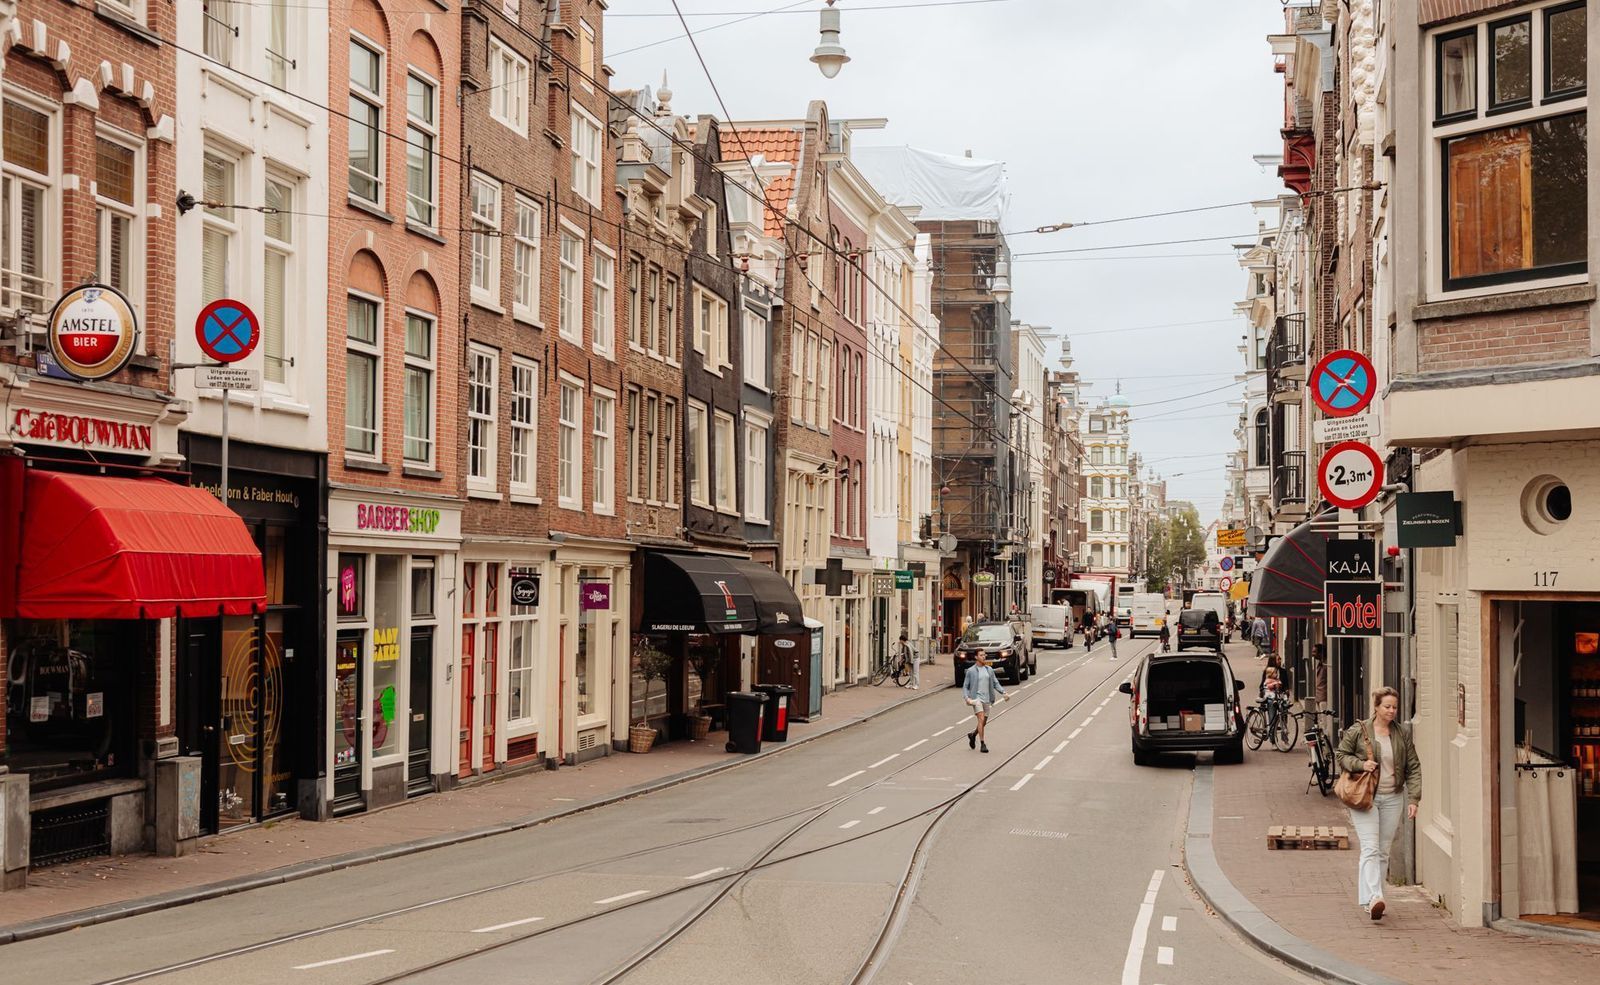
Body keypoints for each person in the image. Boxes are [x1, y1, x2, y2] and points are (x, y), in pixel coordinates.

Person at [1336, 686, 1422, 921]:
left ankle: (1370, 899)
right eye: (1387, 706)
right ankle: (1375, 896)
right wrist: (1360, 765)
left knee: (1382, 851)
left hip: (1393, 797)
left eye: (1395, 707)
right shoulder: (1359, 730)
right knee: (1371, 847)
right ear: (1376, 707)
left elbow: (1413, 767)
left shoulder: (1402, 734)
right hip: (1366, 797)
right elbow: (1341, 755)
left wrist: (1413, 798)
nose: (1392, 711)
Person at [963, 648, 1008, 753]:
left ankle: (973, 735)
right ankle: (983, 744)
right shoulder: (971, 671)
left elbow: (995, 683)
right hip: (976, 699)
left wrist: (1004, 692)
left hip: (987, 699)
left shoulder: (989, 670)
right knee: (981, 719)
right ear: (976, 657)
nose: (984, 657)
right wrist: (967, 698)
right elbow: (965, 686)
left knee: (984, 722)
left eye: (984, 655)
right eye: (981, 655)